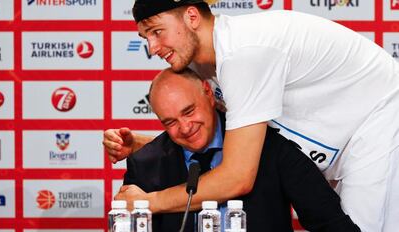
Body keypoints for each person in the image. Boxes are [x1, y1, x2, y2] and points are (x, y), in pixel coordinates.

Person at [104, 1, 399, 231]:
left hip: (378, 121)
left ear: (192, 17)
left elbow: (237, 178)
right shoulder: (203, 63)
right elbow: (209, 134)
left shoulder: (244, 53)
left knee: (358, 228)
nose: (152, 48)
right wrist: (146, 146)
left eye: (157, 32)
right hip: (336, 141)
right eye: (146, 37)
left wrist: (148, 202)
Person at [116, 68, 360, 232]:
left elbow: (330, 221)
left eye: (189, 111)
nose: (185, 127)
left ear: (209, 94)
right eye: (170, 122)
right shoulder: (146, 163)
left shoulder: (268, 146)